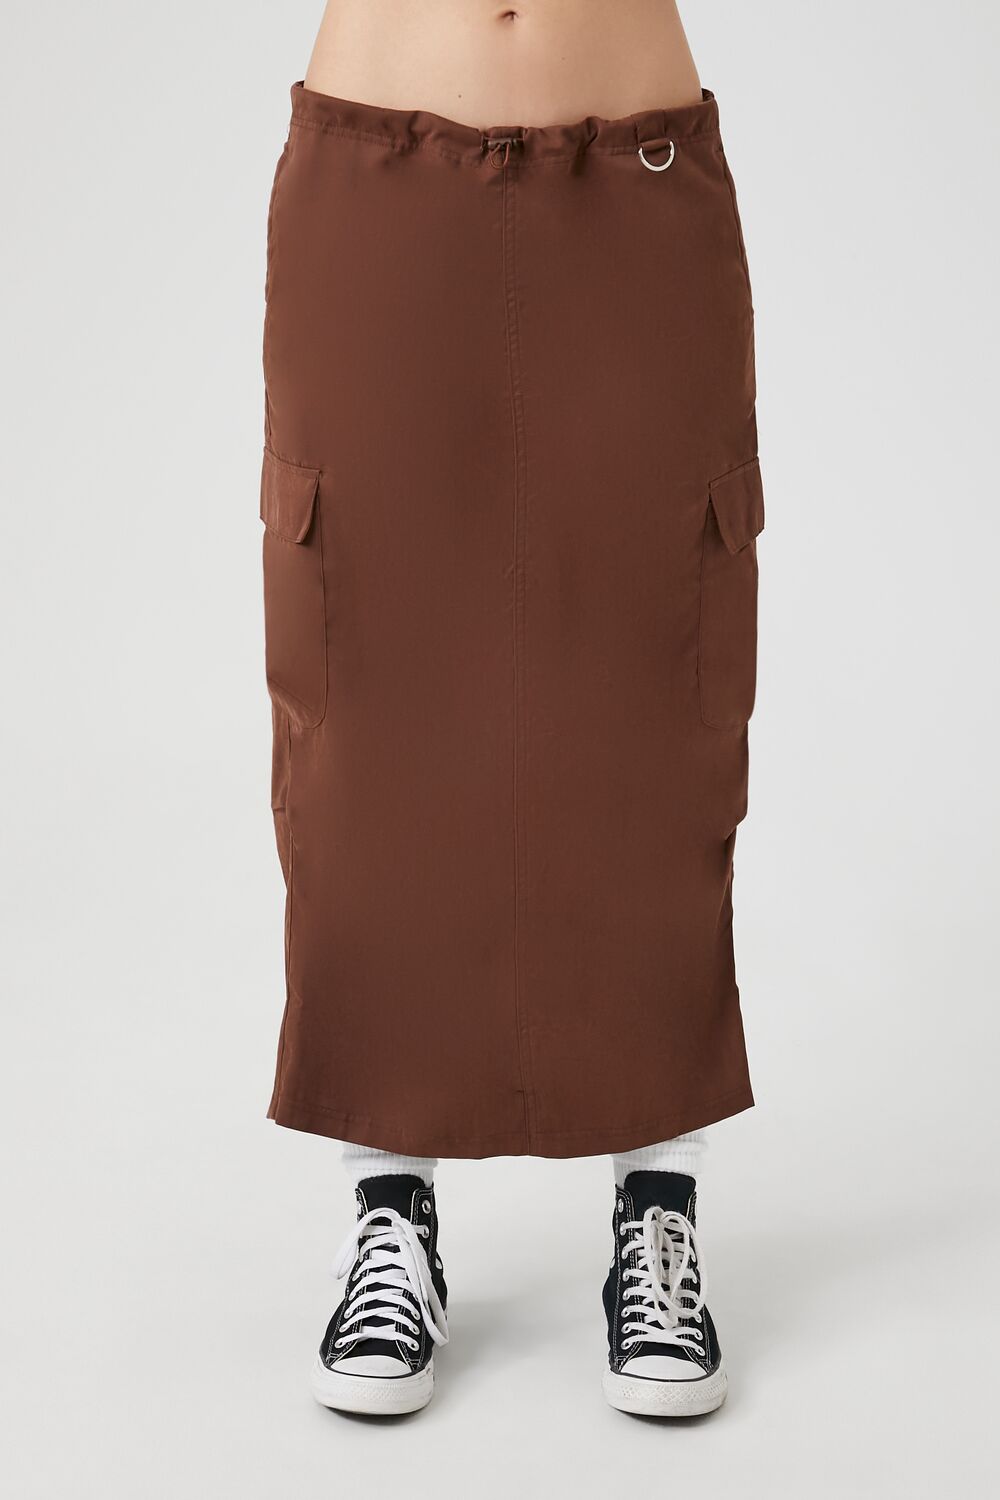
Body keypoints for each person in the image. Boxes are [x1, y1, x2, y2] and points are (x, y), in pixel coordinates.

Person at [259, 0, 763, 1419]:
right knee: (368, 694)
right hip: (375, 186)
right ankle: (389, 1214)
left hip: (637, 190)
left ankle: (658, 1206)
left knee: (652, 686)